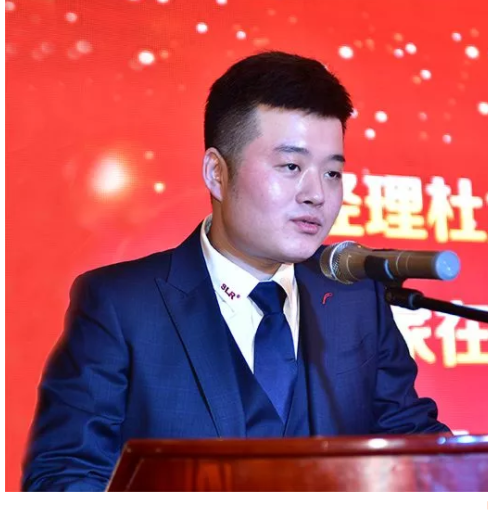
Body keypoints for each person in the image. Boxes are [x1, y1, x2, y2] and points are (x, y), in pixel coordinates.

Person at [22, 51, 450, 492]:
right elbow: (64, 477)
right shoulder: (121, 304)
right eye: (291, 167)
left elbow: (414, 443)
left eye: (333, 173)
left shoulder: (355, 296)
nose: (317, 195)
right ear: (216, 173)